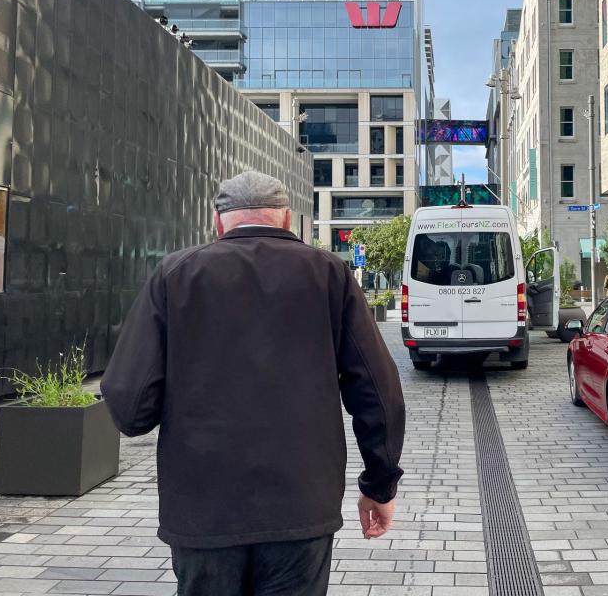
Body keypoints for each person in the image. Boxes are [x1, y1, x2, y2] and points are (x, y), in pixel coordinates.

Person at [101, 171, 406, 596]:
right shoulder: (330, 273)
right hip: (301, 502)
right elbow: (377, 389)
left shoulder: (175, 274)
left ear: (218, 221)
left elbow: (130, 403)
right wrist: (380, 484)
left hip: (202, 507)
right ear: (286, 221)